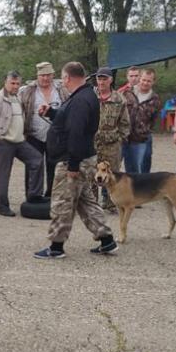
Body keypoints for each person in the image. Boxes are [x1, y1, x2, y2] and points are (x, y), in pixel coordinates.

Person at [33, 62, 118, 259]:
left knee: (63, 202)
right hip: (84, 159)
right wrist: (51, 113)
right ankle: (107, 241)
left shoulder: (80, 100)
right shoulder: (84, 96)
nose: (62, 82)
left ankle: (56, 247)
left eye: (62, 78)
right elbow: (69, 121)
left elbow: (76, 133)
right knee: (86, 202)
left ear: (68, 78)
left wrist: (72, 164)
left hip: (73, 161)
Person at [0, 71, 44, 216]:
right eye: (12, 83)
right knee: (4, 173)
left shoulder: (18, 98)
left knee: (37, 160)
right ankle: (3, 206)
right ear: (5, 82)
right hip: (4, 142)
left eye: (17, 83)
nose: (15, 86)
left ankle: (33, 197)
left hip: (19, 141)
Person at [19, 61, 69, 197]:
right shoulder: (27, 91)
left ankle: (52, 195)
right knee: (33, 166)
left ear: (53, 75)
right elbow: (19, 110)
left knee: (55, 167)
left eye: (48, 75)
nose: (45, 78)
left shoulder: (62, 89)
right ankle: (32, 195)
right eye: (42, 75)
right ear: (37, 76)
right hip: (34, 135)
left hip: (56, 136)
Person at [94, 66, 131, 210]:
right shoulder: (90, 96)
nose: (101, 82)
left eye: (104, 79)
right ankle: (92, 204)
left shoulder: (119, 99)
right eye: (99, 78)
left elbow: (125, 122)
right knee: (92, 172)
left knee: (112, 173)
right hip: (93, 141)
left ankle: (110, 202)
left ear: (111, 80)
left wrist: (120, 138)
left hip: (112, 143)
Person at [119, 66, 161, 174]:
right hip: (124, 137)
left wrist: (144, 130)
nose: (145, 83)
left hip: (140, 139)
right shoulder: (126, 93)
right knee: (127, 169)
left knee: (141, 168)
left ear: (153, 82)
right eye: (143, 80)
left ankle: (143, 189)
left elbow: (154, 119)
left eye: (149, 81)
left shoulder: (155, 99)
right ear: (140, 79)